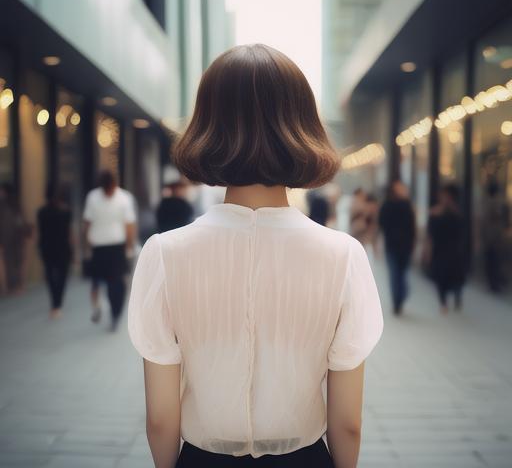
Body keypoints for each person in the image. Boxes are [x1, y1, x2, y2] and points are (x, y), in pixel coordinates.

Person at [127, 44, 384, 468]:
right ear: (301, 126)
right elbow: (348, 423)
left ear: (208, 126)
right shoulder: (344, 256)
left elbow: (160, 419)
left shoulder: (164, 254)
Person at [83, 170, 136, 331]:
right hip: (113, 245)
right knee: (115, 282)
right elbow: (129, 225)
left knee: (100, 281)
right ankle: (112, 312)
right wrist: (129, 247)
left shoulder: (93, 197)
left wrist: (86, 244)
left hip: (102, 245)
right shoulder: (124, 198)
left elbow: (87, 223)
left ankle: (103, 309)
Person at [426, 184, 466, 313]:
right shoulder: (435, 212)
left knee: (456, 275)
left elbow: (462, 232)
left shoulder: (457, 212)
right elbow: (430, 233)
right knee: (440, 275)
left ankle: (457, 297)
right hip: (439, 249)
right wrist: (428, 249)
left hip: (453, 249)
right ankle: (443, 302)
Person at [379, 180, 415, 316]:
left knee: (400, 274)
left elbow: (412, 227)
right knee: (396, 274)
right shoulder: (389, 205)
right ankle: (397, 301)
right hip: (393, 245)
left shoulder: (406, 205)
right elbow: (381, 225)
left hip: (403, 245)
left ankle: (400, 298)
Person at [37, 183, 73, 319]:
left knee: (50, 276)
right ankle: (57, 304)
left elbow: (40, 232)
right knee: (62, 277)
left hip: (47, 247)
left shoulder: (41, 212)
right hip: (63, 248)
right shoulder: (66, 212)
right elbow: (70, 233)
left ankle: (55, 304)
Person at [0, 183, 32, 295]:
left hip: (12, 238)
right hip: (14, 238)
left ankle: (12, 286)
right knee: (16, 262)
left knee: (12, 262)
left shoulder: (9, 207)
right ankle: (15, 286)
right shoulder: (14, 206)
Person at [481, 179, 509, 293]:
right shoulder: (496, 202)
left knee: (491, 260)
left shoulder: (487, 202)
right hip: (495, 236)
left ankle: (493, 283)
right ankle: (494, 283)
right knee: (495, 260)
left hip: (490, 235)